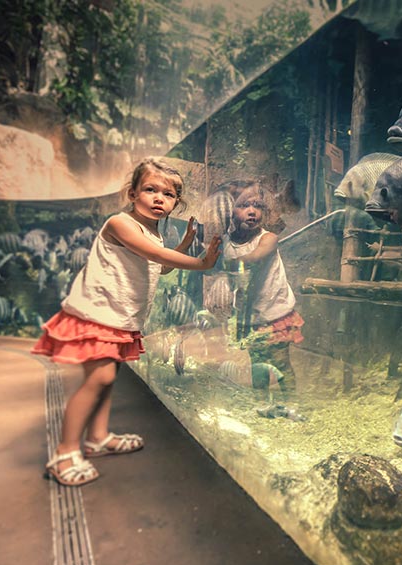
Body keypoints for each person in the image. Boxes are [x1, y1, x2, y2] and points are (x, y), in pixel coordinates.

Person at [33, 158, 222, 487]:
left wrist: (185, 245)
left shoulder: (154, 237)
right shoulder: (120, 223)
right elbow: (158, 257)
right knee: (100, 377)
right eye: (150, 189)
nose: (159, 198)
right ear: (133, 193)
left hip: (119, 319)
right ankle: (64, 454)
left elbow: (160, 266)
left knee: (108, 377)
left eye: (168, 194)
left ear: (177, 203)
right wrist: (200, 262)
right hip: (97, 314)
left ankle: (98, 437)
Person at [219, 182, 304, 405]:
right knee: (257, 363)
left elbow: (255, 258)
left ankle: (291, 404)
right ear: (229, 211)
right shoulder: (226, 243)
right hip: (250, 317)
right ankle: (261, 403)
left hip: (275, 313)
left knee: (280, 362)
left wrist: (223, 264)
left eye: (257, 205)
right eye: (244, 205)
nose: (252, 210)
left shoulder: (268, 238)